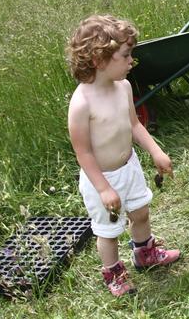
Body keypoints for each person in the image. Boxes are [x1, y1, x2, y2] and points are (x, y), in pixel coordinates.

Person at [66, 15, 181, 297]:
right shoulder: (81, 104)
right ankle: (114, 273)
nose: (132, 61)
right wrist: (104, 189)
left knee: (141, 213)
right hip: (101, 178)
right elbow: (84, 153)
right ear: (98, 59)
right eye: (126, 55)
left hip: (129, 168)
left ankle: (145, 254)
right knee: (109, 231)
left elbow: (134, 125)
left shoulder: (124, 88)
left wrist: (156, 151)